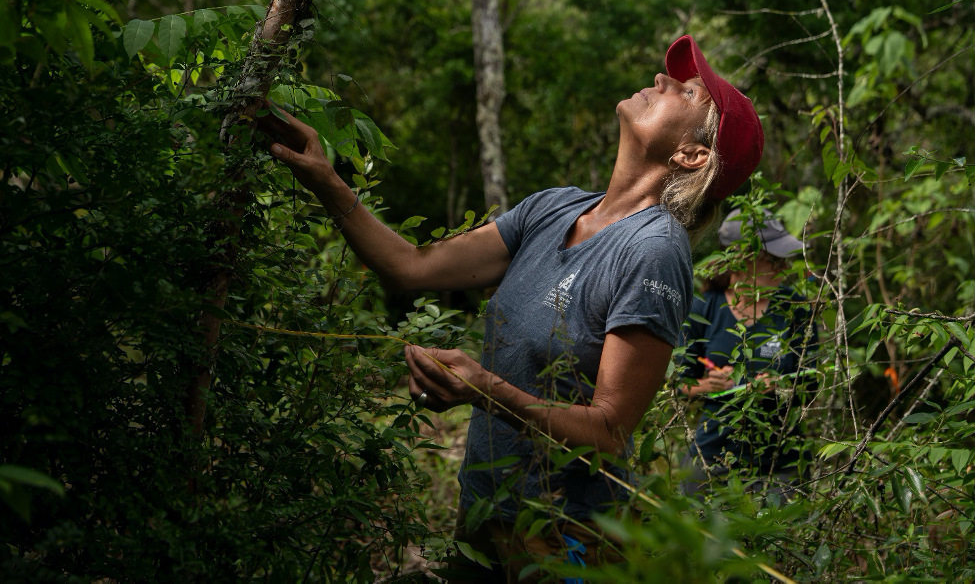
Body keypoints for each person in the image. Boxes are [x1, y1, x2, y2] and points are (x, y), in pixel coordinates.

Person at [258, 35, 764, 581]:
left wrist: (485, 390)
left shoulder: (654, 250)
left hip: (562, 534)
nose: (663, 80)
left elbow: (609, 431)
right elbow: (411, 267)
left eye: (687, 93)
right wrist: (325, 178)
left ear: (691, 155)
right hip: (484, 507)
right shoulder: (553, 208)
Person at [677, 210, 817, 501]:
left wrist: (778, 389)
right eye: (772, 261)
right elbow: (676, 383)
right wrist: (709, 386)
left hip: (778, 459)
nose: (782, 269)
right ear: (741, 260)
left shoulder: (796, 308)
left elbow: (811, 384)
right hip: (713, 452)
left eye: (783, 261)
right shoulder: (704, 307)